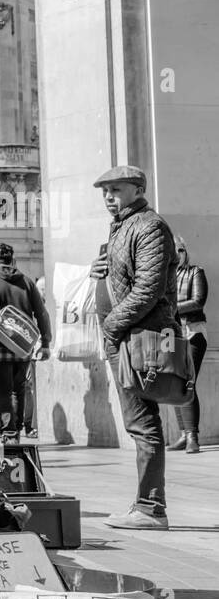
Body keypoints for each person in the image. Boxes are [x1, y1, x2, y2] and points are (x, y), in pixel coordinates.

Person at [90, 166, 180, 530]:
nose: (109, 196)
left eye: (116, 189)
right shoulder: (124, 228)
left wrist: (112, 325)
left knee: (144, 424)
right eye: (104, 191)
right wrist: (100, 269)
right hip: (125, 337)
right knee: (138, 423)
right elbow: (128, 279)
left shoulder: (149, 226)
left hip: (137, 336)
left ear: (138, 189)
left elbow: (148, 289)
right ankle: (146, 504)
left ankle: (150, 508)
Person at [0, 243, 51, 442]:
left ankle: (8, 430)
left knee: (3, 391)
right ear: (12, 260)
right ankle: (16, 431)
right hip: (22, 345)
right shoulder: (26, 281)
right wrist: (45, 342)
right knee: (19, 389)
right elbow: (42, 313)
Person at [169, 237, 207, 453]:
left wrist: (170, 306)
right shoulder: (163, 277)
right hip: (168, 333)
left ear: (185, 251)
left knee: (187, 382)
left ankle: (193, 435)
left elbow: (198, 301)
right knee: (172, 383)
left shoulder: (195, 272)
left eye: (180, 250)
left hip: (192, 332)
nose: (177, 254)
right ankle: (183, 434)